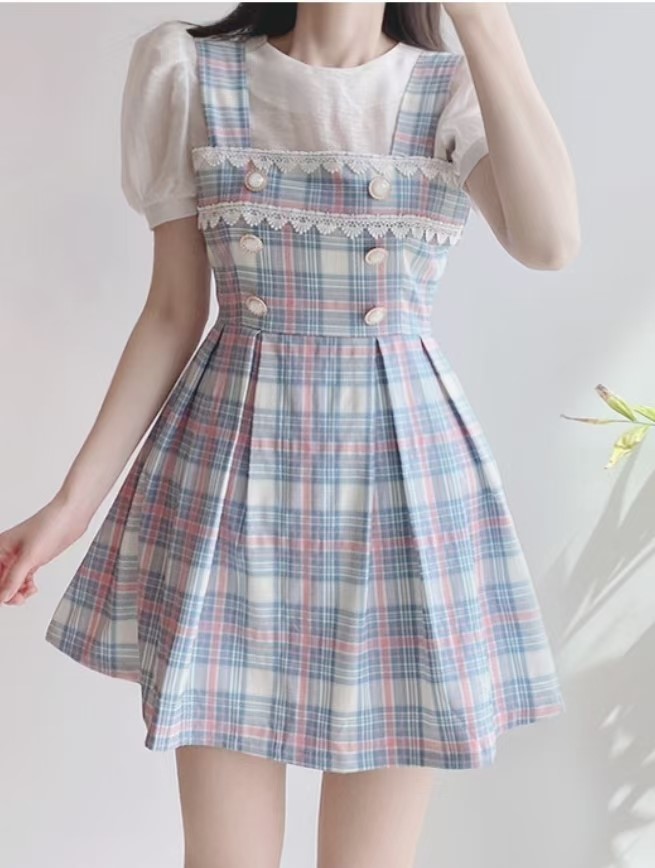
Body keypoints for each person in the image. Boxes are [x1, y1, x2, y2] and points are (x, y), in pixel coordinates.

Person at [0, 3, 580, 867]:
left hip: (401, 494)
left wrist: (482, 20)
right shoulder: (188, 70)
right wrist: (70, 507)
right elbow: (172, 311)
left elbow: (550, 242)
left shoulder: (450, 87)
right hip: (231, 485)